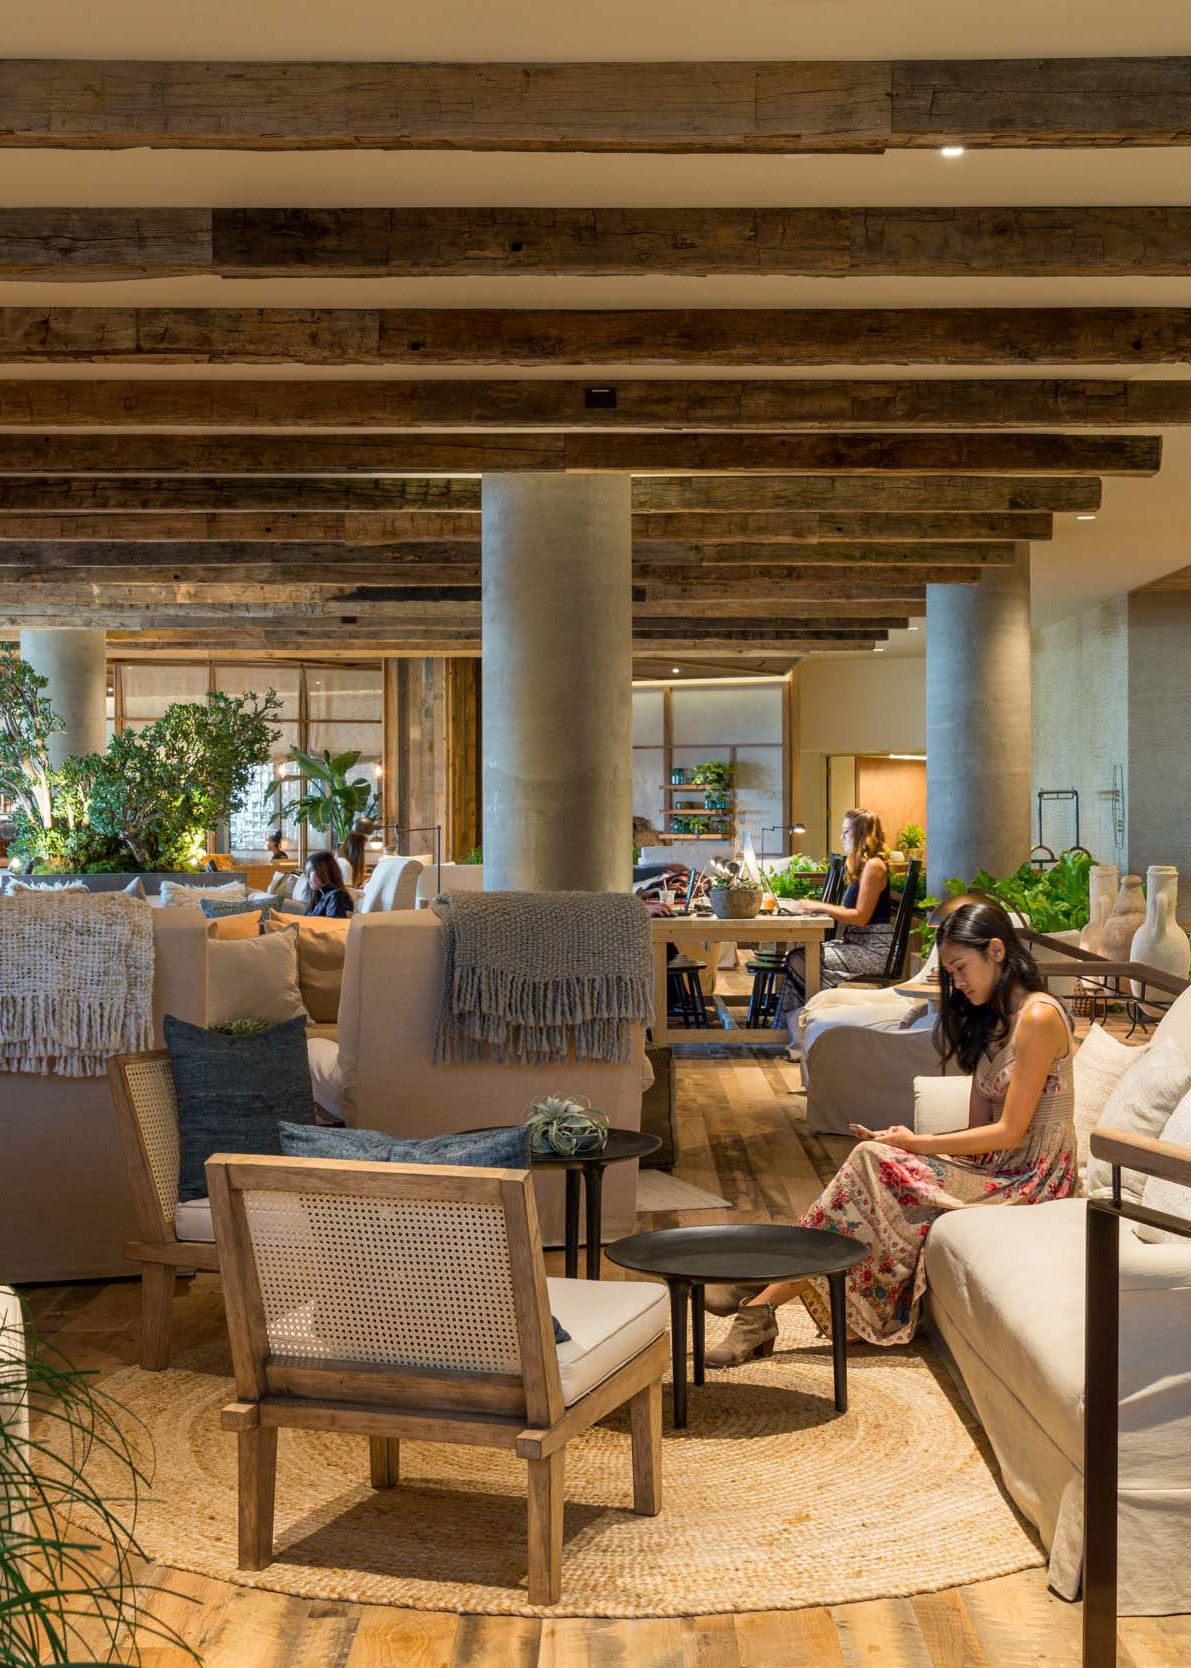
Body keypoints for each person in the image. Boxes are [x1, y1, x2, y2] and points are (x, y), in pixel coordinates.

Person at [706, 899, 1076, 1365]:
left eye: (962, 968)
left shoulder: (1039, 1018)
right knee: (873, 1162)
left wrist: (914, 1144)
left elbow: (1008, 1132)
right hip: (995, 1167)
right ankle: (764, 1294)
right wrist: (907, 1142)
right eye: (951, 972)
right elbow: (978, 1128)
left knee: (875, 1161)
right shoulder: (992, 1019)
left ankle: (761, 1300)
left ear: (997, 951)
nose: (958, 983)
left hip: (1032, 1178)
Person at [777, 807, 895, 1058]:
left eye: (846, 831)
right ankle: (803, 1036)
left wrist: (818, 906)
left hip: (873, 950)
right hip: (857, 945)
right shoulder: (863, 867)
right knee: (799, 957)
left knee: (800, 959)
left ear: (862, 835)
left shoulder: (874, 866)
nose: (841, 837)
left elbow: (861, 917)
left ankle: (803, 1040)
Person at [303, 849, 356, 919]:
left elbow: (334, 926)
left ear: (324, 871)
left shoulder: (336, 896)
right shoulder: (319, 895)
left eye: (310, 871)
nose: (307, 876)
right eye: (306, 872)